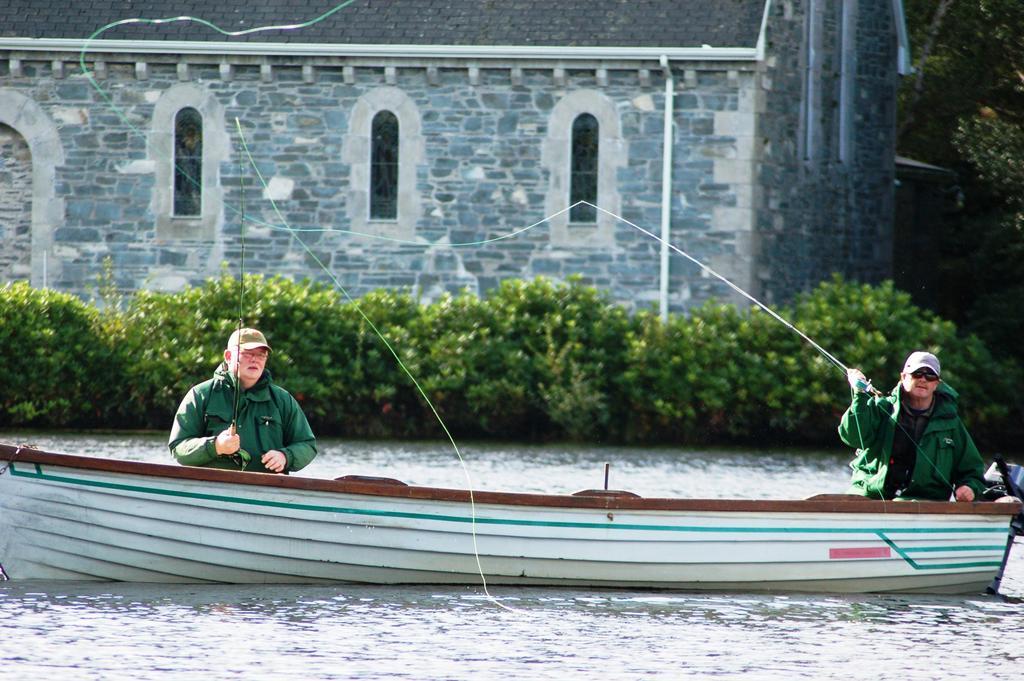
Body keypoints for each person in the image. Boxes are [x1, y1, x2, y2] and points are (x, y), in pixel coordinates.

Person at [839, 350, 985, 501]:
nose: (923, 379)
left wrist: (969, 488)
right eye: (917, 374)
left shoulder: (952, 423)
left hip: (923, 502)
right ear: (903, 377)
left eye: (930, 376)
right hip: (869, 496)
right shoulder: (881, 408)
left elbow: (972, 471)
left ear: (937, 383)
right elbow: (853, 438)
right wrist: (860, 395)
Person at [169, 327, 318, 474]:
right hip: (213, 485)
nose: (255, 359)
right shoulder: (200, 394)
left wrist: (286, 456)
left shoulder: (282, 399)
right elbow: (178, 447)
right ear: (228, 356)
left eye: (261, 355)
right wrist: (216, 446)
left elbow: (307, 445)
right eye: (247, 353)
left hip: (267, 489)